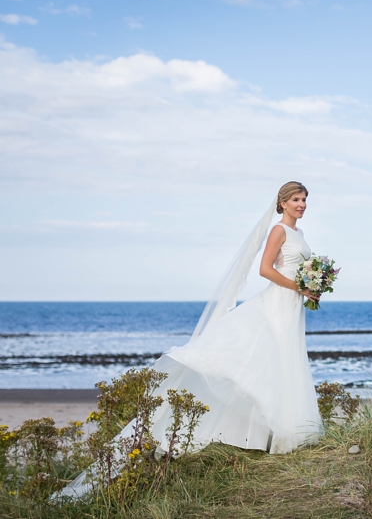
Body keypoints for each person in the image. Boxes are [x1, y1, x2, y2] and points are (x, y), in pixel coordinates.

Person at [59, 182, 323, 498]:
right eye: (296, 199)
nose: (302, 204)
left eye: (305, 199)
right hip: (277, 304)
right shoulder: (279, 230)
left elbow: (296, 271)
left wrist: (312, 286)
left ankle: (282, 434)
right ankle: (277, 435)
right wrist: (300, 287)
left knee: (284, 363)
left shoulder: (300, 235)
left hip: (293, 309)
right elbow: (265, 270)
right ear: (282, 202)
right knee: (264, 362)